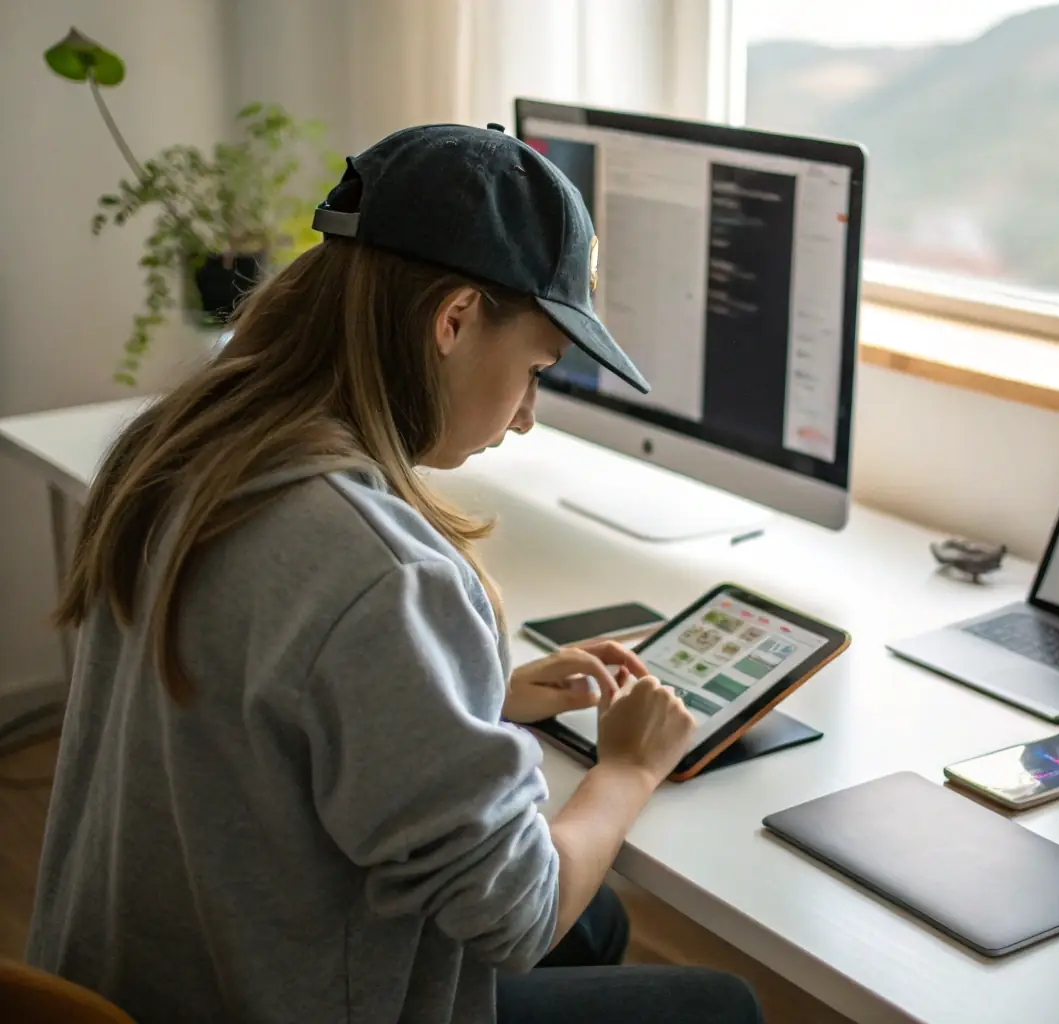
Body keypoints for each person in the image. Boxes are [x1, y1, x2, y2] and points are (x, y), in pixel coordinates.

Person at [26, 123, 763, 1024]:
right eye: (535, 368)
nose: (528, 414)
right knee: (714, 1002)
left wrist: (475, 694)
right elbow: (518, 917)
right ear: (453, 320)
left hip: (133, 986)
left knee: (598, 922)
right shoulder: (378, 569)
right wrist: (629, 769)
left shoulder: (182, 449)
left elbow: (273, 691)